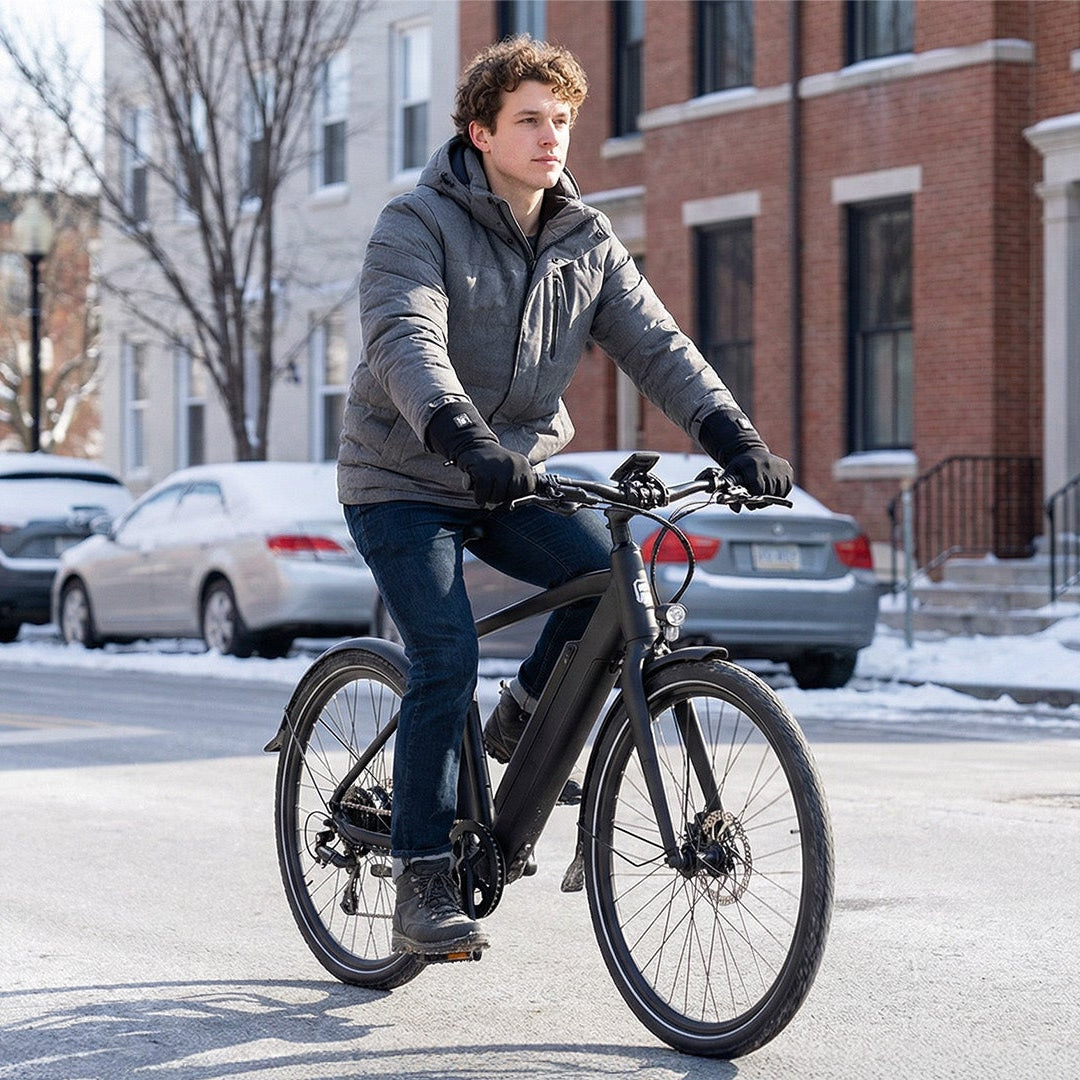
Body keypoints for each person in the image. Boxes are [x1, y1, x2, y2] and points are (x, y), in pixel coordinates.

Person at [337, 36, 792, 958]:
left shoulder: (585, 238)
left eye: (563, 121)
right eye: (531, 121)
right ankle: (422, 876)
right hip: (406, 477)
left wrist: (732, 435)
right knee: (446, 651)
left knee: (610, 588)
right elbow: (404, 337)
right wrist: (461, 433)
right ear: (480, 132)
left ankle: (521, 719)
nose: (553, 138)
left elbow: (657, 346)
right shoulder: (415, 224)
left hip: (514, 477)